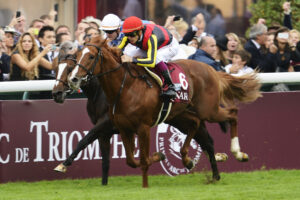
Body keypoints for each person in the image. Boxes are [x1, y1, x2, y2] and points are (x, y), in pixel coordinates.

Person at [118, 16, 178, 99]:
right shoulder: (128, 36)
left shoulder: (151, 37)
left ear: (139, 32)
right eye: (126, 34)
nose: (129, 37)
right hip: (148, 46)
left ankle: (171, 86)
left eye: (131, 35)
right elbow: (117, 50)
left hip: (169, 45)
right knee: (127, 53)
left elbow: (151, 62)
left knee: (157, 57)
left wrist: (132, 60)